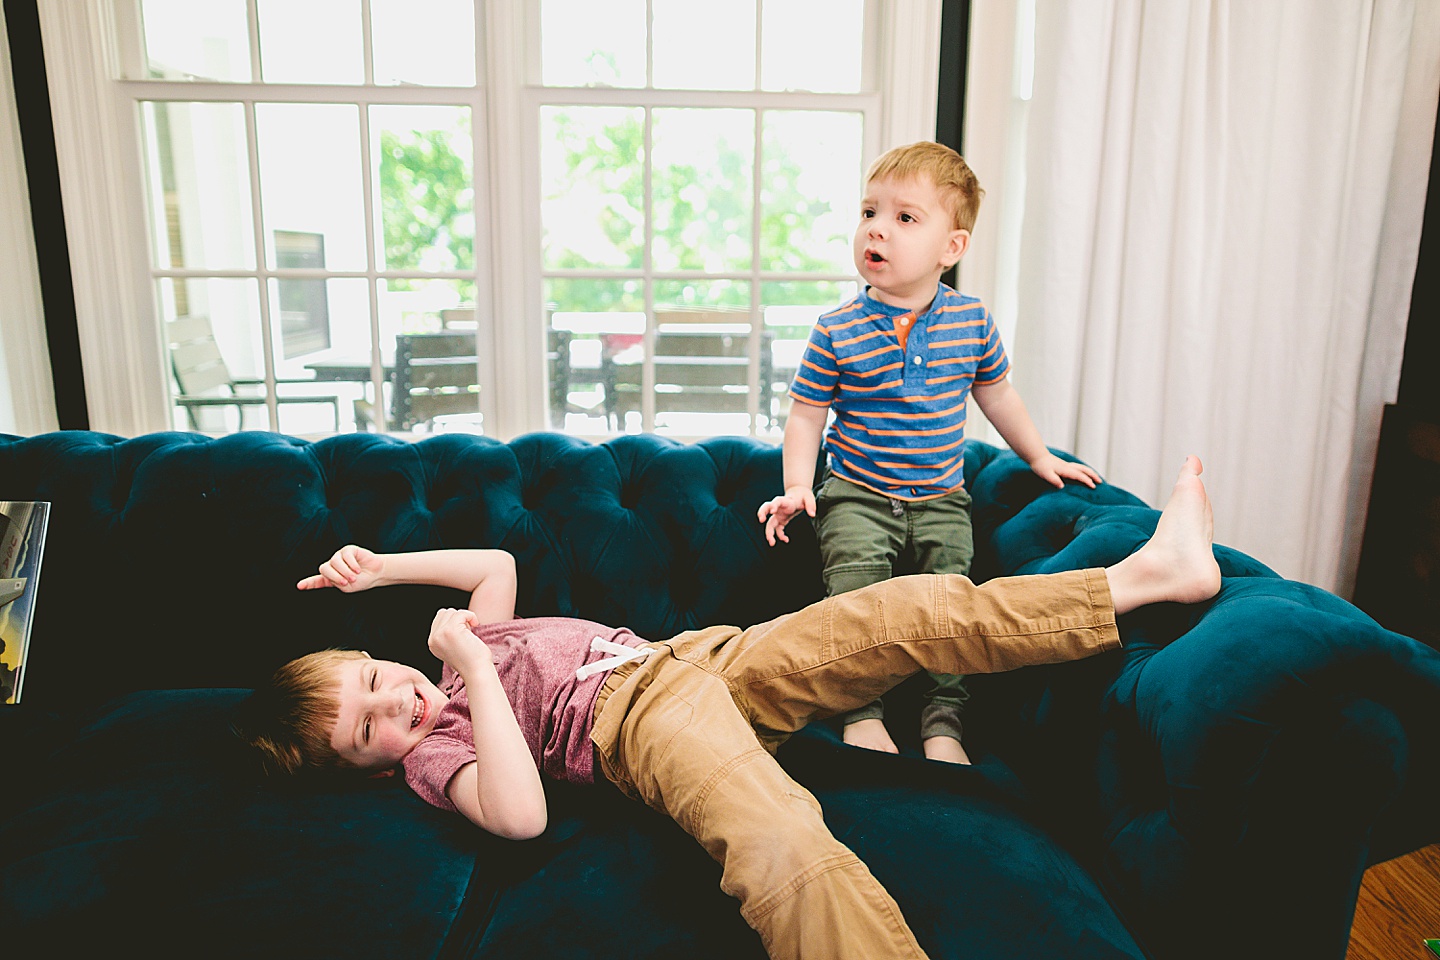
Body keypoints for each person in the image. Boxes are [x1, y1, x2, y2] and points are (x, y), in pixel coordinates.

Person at [237, 456, 1221, 960]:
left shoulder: (458, 654)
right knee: (780, 838)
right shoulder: (437, 747)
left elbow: (494, 564)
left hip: (704, 660)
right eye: (367, 730)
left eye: (375, 681)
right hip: (639, 724)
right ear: (371, 768)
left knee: (905, 610)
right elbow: (521, 815)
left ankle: (1144, 580)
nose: (393, 706)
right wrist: (473, 675)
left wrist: (381, 574)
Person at [758, 140, 1103, 765]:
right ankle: (860, 711)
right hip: (859, 495)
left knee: (951, 608)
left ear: (952, 248)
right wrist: (799, 486)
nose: (877, 230)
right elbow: (807, 415)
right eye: (869, 212)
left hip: (943, 499)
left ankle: (944, 722)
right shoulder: (836, 329)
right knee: (856, 602)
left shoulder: (971, 321)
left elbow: (997, 395)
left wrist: (1039, 457)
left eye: (904, 217)